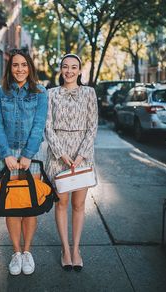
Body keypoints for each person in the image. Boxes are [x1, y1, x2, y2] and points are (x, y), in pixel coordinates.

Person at [0, 49, 48, 276]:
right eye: (15, 65)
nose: (20, 69)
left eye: (24, 64)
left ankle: (27, 252)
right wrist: (6, 154)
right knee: (12, 205)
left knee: (30, 206)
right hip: (7, 154)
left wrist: (27, 154)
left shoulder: (40, 92)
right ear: (9, 68)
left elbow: (39, 125)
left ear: (30, 67)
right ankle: (16, 253)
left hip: (30, 154)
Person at [45, 54, 98, 272]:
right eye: (65, 67)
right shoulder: (50, 94)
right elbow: (47, 126)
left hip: (82, 156)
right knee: (62, 204)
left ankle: (76, 249)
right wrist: (61, 153)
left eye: (73, 67)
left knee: (78, 205)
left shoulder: (89, 93)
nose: (69, 71)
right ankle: (65, 250)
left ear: (79, 70)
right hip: (59, 156)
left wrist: (81, 155)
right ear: (60, 69)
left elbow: (93, 126)